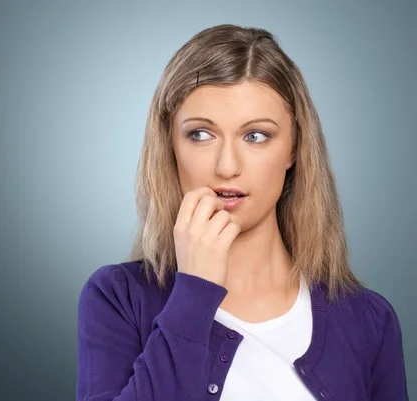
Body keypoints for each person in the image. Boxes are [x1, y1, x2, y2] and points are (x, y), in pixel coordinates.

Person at [76, 24, 409, 401]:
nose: (227, 166)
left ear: (294, 149)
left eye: (256, 136)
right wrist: (194, 295)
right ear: (170, 146)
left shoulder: (368, 320)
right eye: (201, 134)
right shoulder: (118, 298)